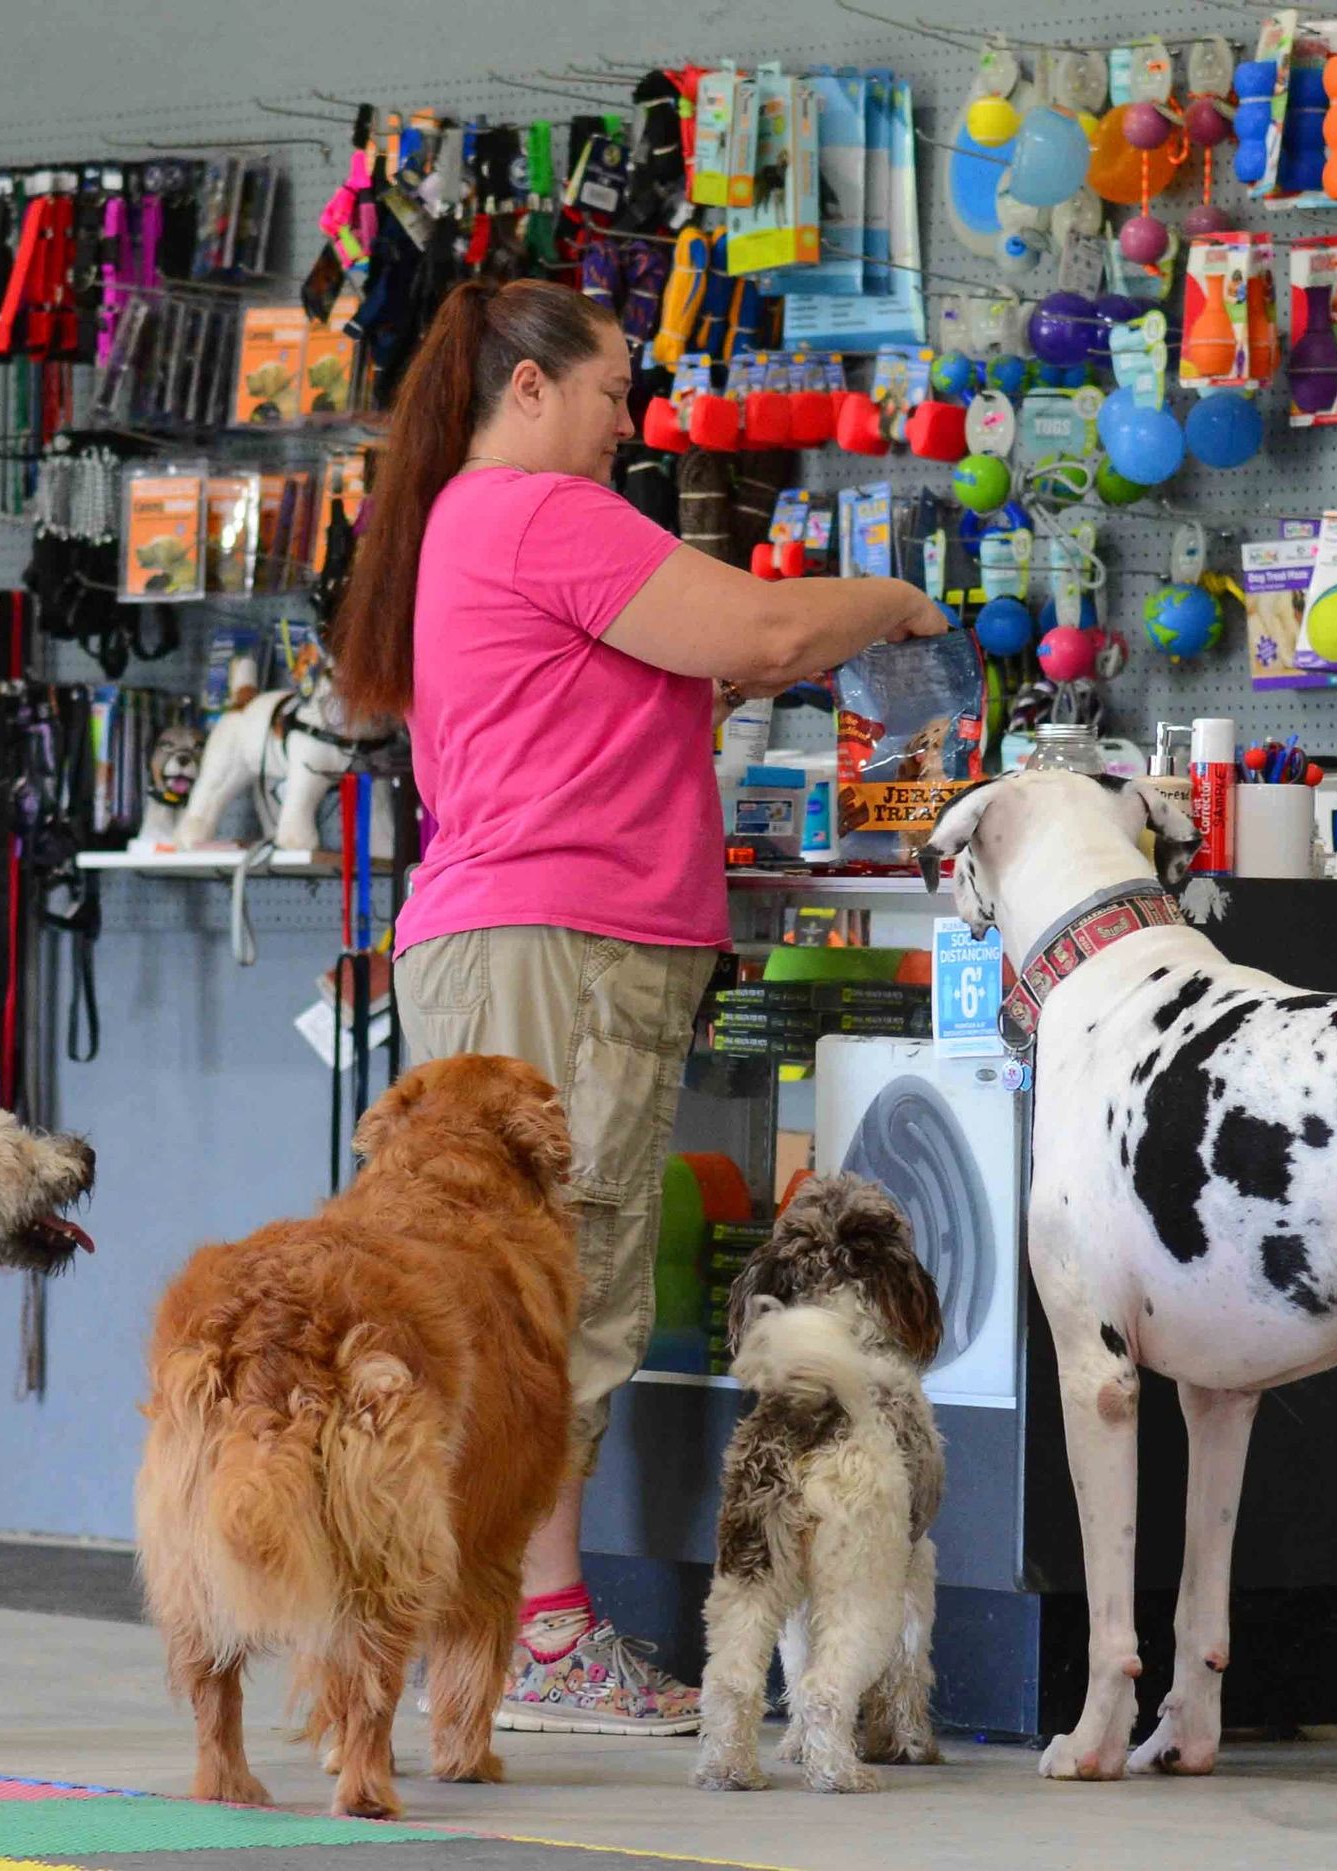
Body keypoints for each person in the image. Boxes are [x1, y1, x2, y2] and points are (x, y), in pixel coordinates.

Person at [327, 278, 944, 1736]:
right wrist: (897, 602)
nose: (630, 424)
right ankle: (539, 1639)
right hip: (558, 946)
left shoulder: (463, 523)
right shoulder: (542, 512)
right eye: (611, 392)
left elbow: (642, 686)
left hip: (532, 938)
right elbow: (768, 639)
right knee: (559, 1291)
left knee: (516, 1288)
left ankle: (495, 1632)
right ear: (527, 390)